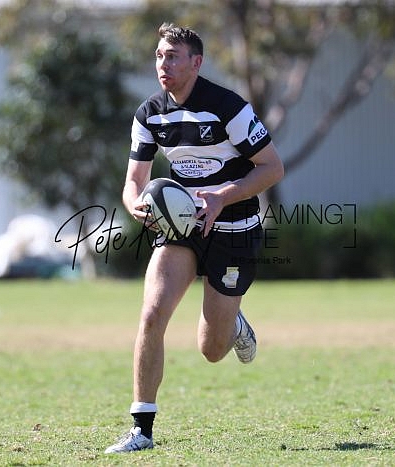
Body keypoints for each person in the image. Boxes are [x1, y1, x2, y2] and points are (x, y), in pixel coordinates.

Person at [105, 23, 284, 454]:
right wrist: (134, 204)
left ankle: (233, 323)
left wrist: (223, 196)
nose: (162, 65)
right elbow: (134, 181)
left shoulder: (228, 108)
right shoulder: (150, 114)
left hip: (235, 229)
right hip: (181, 228)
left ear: (196, 63)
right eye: (159, 56)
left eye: (172, 57)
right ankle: (141, 429)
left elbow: (272, 168)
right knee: (152, 314)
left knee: (211, 349)